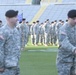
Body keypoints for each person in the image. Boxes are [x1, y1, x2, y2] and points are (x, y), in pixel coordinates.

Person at [0, 10, 21, 75]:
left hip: (15, 65)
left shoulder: (16, 30)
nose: (17, 19)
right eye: (14, 17)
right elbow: (0, 50)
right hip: (6, 67)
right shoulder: (3, 31)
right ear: (8, 18)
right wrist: (0, 65)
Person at [56, 9, 76, 75]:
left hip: (74, 61)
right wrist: (74, 49)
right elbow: (64, 42)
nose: (75, 21)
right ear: (68, 18)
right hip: (64, 61)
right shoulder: (63, 29)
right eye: (73, 18)